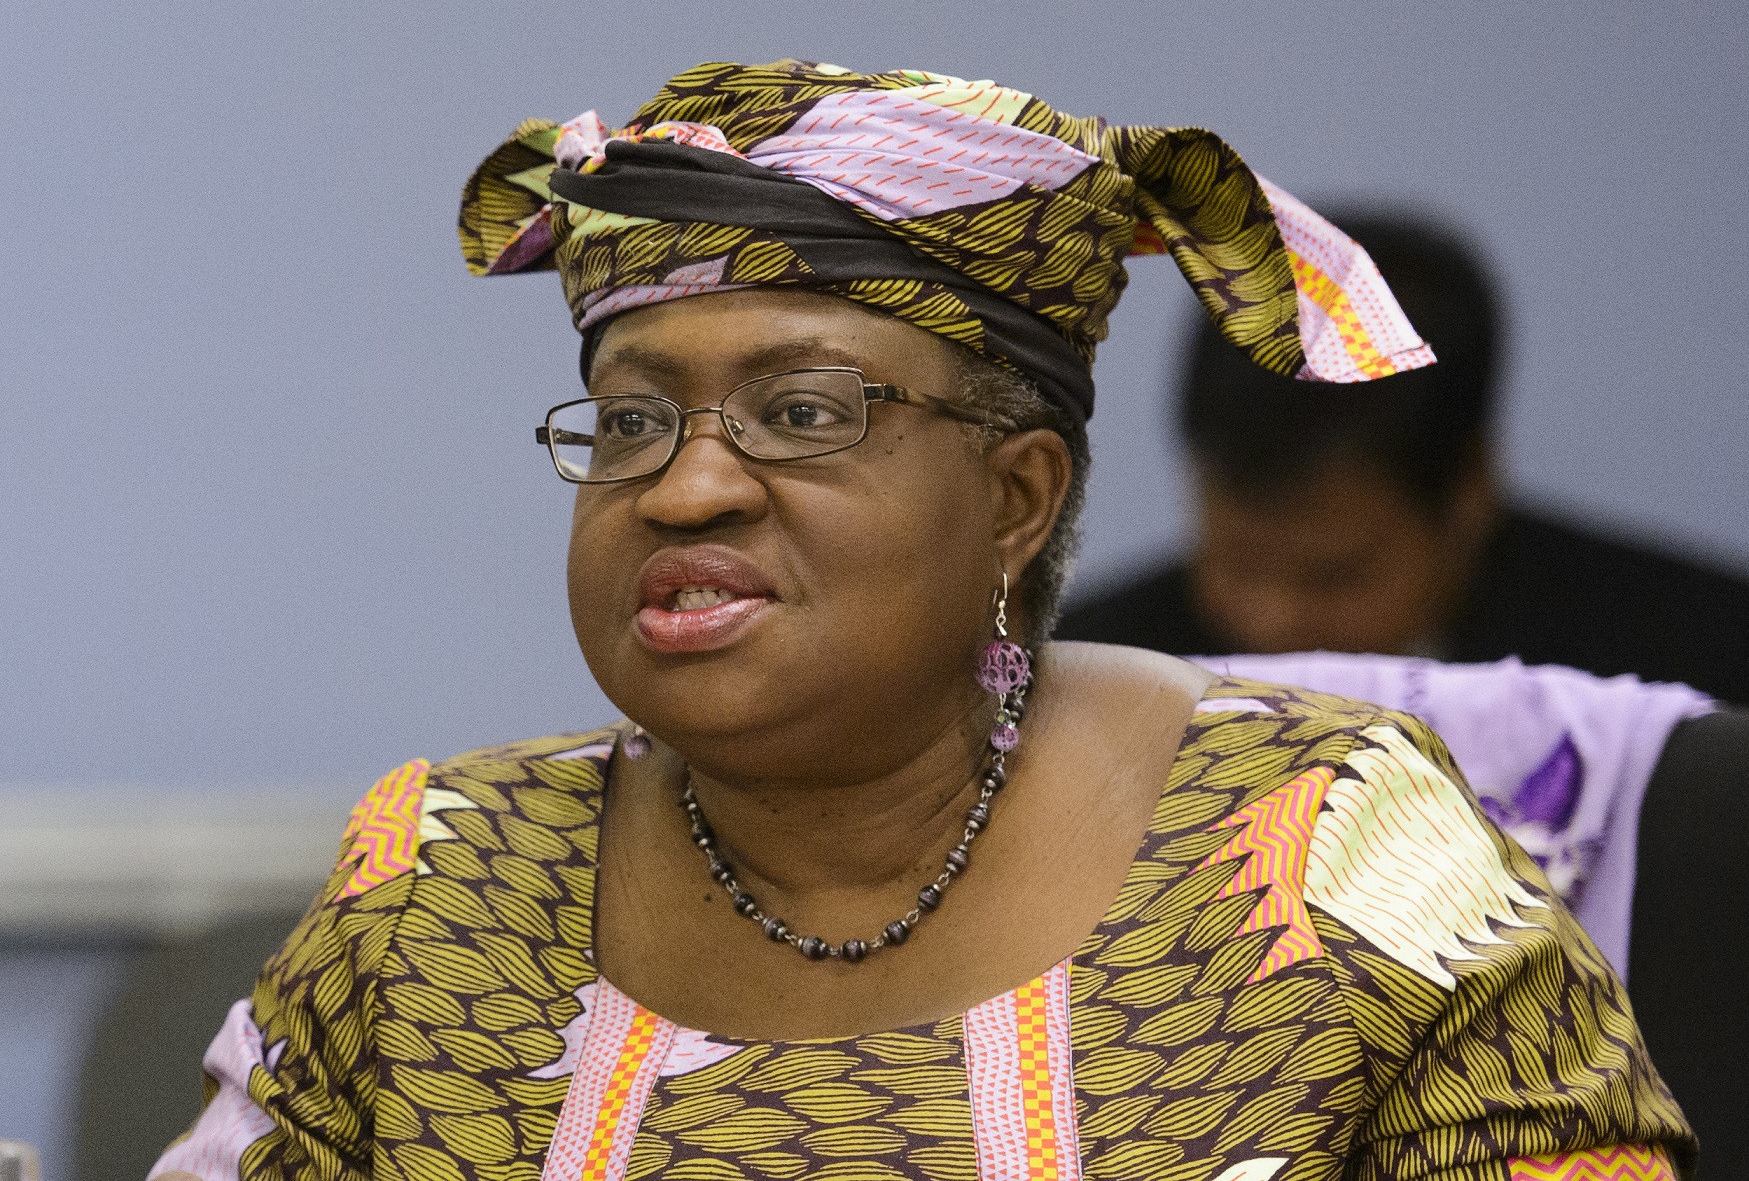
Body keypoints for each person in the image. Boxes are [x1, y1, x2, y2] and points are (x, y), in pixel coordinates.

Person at [151, 61, 1692, 1181]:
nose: (683, 490)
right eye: (627, 425)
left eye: (802, 411)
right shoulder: (437, 878)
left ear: (1017, 498)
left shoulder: (1331, 838)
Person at [1055, 216, 1749, 704]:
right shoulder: (1078, 681)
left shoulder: (1690, 684)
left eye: (1333, 577)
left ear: (1469, 492)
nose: (1267, 619)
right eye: (1235, 560)